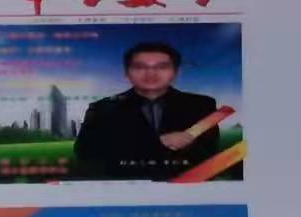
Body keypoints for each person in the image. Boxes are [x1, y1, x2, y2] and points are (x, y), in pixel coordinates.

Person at [73, 41, 220, 180]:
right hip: (125, 187)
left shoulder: (201, 105)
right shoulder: (102, 108)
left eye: (162, 67)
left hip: (185, 186)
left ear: (176, 72)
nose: (151, 73)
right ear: (127, 73)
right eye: (140, 67)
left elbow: (208, 152)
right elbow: (85, 153)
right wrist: (158, 142)